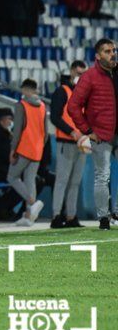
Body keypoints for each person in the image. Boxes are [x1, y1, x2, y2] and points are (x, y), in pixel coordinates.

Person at [68, 38, 117, 231]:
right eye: (107, 51)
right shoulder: (89, 76)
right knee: (102, 176)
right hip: (102, 133)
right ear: (98, 56)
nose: (112, 53)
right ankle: (104, 217)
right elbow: (73, 106)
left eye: (113, 50)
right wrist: (88, 131)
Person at [50, 61, 88, 229]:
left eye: (83, 73)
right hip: (66, 141)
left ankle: (71, 216)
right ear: (72, 71)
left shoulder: (85, 94)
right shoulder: (62, 91)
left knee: (75, 182)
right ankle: (56, 216)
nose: (80, 75)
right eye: (78, 72)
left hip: (81, 143)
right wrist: (73, 132)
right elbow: (55, 118)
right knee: (62, 180)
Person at [6, 79, 49, 227]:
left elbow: (17, 130)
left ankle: (33, 202)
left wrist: (13, 149)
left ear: (25, 89)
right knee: (30, 181)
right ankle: (29, 216)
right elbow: (46, 133)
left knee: (11, 176)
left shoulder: (21, 105)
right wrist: (40, 146)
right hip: (37, 149)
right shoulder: (43, 106)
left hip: (24, 148)